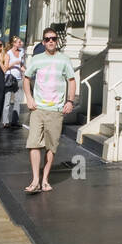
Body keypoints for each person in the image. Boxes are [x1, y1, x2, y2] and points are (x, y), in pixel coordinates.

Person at [22, 29, 76, 193]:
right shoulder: (37, 59)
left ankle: (45, 179)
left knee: (51, 147)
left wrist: (70, 101)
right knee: (34, 144)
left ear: (56, 41)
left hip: (56, 109)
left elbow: (71, 81)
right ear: (43, 42)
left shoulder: (64, 60)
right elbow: (26, 79)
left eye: (53, 38)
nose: (51, 41)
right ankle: (35, 180)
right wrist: (29, 98)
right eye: (47, 39)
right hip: (38, 108)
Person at [2, 36, 24, 128]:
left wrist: (26, 72)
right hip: (10, 78)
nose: (20, 43)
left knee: (17, 100)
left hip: (18, 78)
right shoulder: (8, 53)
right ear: (14, 43)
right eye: (19, 42)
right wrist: (14, 63)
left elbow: (22, 66)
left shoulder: (22, 52)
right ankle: (5, 121)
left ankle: (15, 121)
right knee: (7, 101)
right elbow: (5, 67)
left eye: (20, 42)